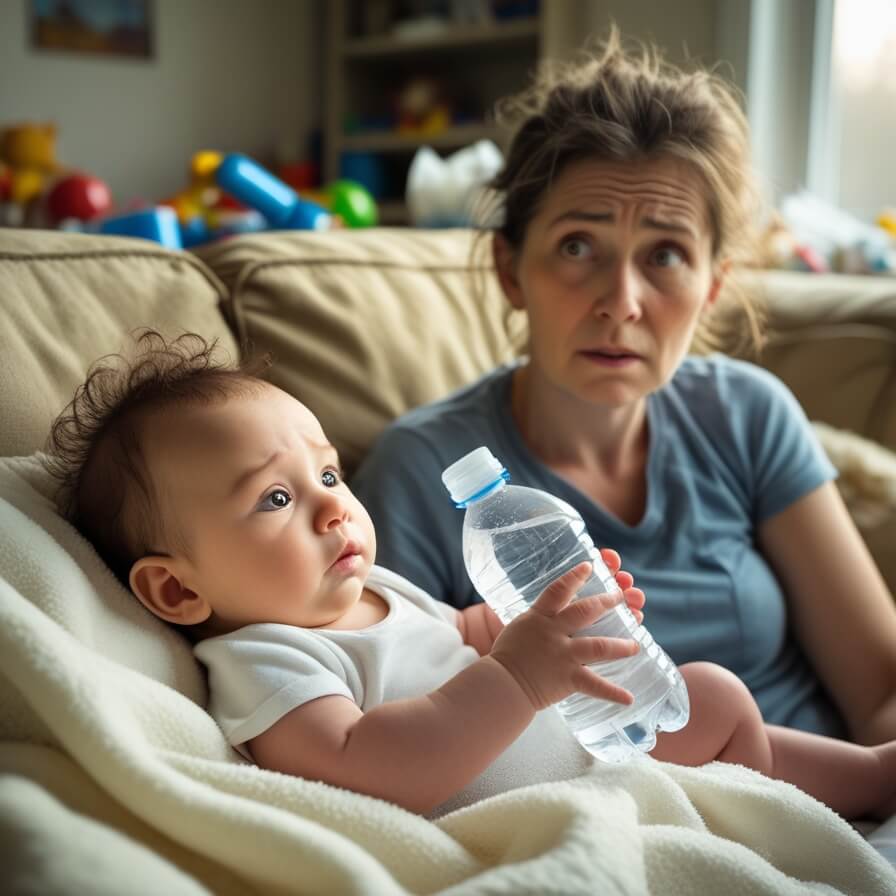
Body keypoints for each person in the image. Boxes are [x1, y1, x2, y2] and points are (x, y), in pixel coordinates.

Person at [44, 332, 896, 820]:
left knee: (712, 696)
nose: (335, 509)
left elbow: (467, 633)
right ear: (177, 591)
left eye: (330, 477)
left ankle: (864, 778)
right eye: (274, 497)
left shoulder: (381, 596)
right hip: (536, 801)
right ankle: (753, 830)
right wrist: (520, 672)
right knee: (708, 713)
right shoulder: (269, 660)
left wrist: (554, 615)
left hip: (581, 749)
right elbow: (366, 767)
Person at [351, 31, 896, 748]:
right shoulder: (424, 469)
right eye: (579, 246)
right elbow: (396, 731)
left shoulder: (750, 414)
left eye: (666, 255)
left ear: (713, 288)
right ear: (510, 269)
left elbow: (882, 698)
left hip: (840, 804)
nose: (622, 301)